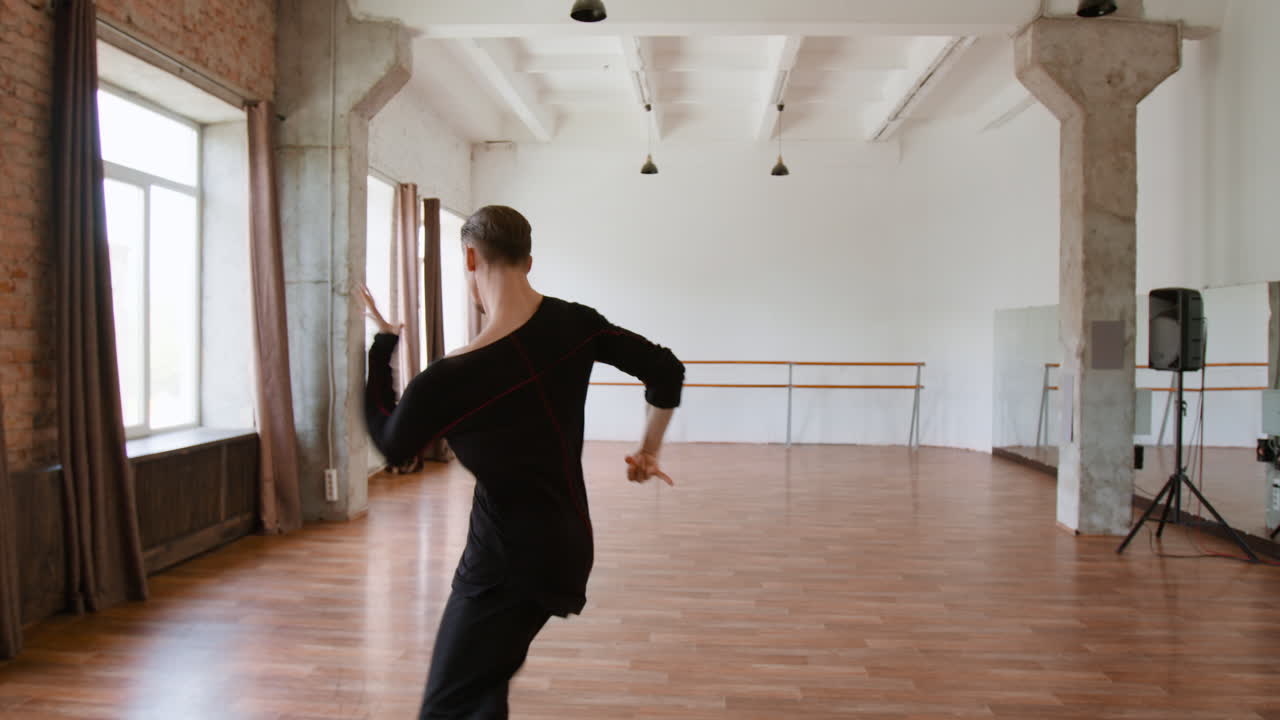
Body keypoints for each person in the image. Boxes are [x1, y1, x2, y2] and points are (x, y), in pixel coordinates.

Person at [360, 205, 685, 719]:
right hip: (567, 544)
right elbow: (666, 370)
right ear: (528, 261)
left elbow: (391, 441)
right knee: (483, 688)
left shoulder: (448, 380)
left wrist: (383, 346)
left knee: (450, 705)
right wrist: (649, 449)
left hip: (505, 563)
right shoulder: (576, 324)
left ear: (470, 257)